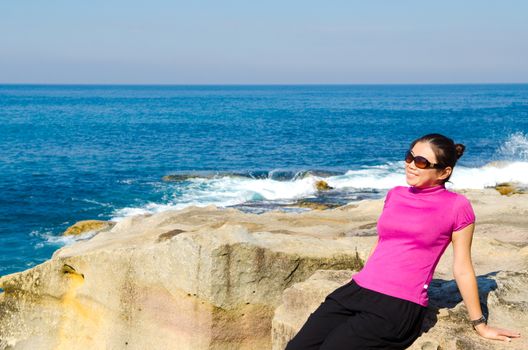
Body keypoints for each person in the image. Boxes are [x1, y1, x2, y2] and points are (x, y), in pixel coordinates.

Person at [285, 133, 522, 349]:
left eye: (421, 162)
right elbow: (384, 242)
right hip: (357, 290)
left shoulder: (457, 206)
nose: (410, 165)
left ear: (444, 172)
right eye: (410, 157)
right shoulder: (395, 195)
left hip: (397, 305)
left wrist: (479, 323)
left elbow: (462, 267)